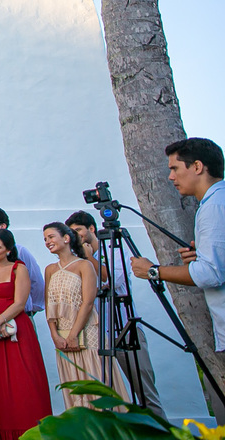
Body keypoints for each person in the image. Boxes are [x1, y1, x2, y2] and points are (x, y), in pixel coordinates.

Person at [131, 137, 225, 415]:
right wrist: (203, 256)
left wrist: (153, 271)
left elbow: (210, 275)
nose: (171, 177)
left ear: (197, 167)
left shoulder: (213, 207)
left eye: (175, 168)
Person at [67, 209, 165, 418]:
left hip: (124, 328)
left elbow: (112, 281)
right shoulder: (77, 259)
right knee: (105, 393)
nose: (76, 236)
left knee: (144, 391)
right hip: (98, 333)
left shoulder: (112, 248)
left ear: (91, 229)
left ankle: (158, 428)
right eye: (72, 232)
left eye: (79, 230)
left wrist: (89, 257)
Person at [42, 221, 129, 409]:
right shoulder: (50, 269)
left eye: (51, 237)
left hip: (87, 332)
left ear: (66, 238)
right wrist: (54, 335)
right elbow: (49, 305)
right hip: (62, 336)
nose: (47, 241)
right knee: (74, 386)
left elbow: (88, 302)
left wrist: (74, 334)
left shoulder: (84, 265)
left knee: (95, 379)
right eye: (45, 239)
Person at [0, 228, 51, 439]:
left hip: (17, 329)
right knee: (0, 385)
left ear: (8, 250)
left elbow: (20, 303)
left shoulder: (19, 269)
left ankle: (34, 432)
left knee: (26, 381)